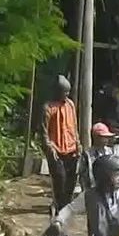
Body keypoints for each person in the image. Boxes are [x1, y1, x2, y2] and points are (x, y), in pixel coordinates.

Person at [39, 75, 80, 213]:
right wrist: (50, 149)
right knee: (60, 179)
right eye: (64, 92)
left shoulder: (70, 105)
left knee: (72, 180)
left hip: (71, 149)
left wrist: (77, 144)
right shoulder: (48, 108)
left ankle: (66, 204)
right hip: (56, 151)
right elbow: (43, 132)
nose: (66, 95)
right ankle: (59, 206)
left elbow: (74, 126)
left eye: (68, 92)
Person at [81, 123, 119, 193]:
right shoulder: (87, 155)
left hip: (109, 187)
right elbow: (83, 176)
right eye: (104, 137)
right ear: (96, 137)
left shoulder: (110, 151)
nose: (107, 139)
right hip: (93, 188)